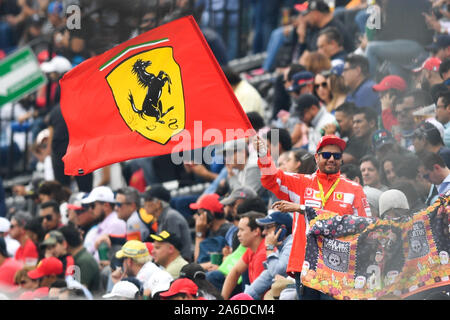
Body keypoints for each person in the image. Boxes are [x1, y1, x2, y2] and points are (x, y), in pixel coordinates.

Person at [254, 134, 371, 300]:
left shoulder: (354, 190)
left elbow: (364, 227)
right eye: (326, 155)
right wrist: (263, 156)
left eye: (336, 156)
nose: (331, 159)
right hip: (305, 265)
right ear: (316, 157)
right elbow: (272, 179)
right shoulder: (302, 183)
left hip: (338, 268)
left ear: (341, 160)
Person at [244, 211, 294, 300]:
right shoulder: (281, 247)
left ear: (282, 229)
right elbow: (267, 275)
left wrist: (269, 248)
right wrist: (245, 296)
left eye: (268, 227)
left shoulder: (291, 244)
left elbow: (277, 271)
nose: (264, 232)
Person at [221, 211, 266, 300]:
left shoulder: (263, 255)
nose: (238, 234)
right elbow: (235, 271)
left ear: (256, 231)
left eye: (242, 230)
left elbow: (259, 293)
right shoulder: (251, 249)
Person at [143, 185, 192, 262]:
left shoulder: (171, 217)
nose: (144, 203)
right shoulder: (164, 217)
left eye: (147, 199)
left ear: (158, 203)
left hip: (179, 265)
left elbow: (172, 249)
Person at [81, 186, 126, 263]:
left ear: (106, 206)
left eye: (92, 206)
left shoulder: (116, 223)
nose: (90, 210)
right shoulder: (103, 223)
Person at [189, 193, 232, 267]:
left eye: (199, 212)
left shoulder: (226, 231)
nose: (196, 216)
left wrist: (199, 235)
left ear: (210, 213)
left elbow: (198, 262)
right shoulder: (208, 229)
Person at [58, 225, 100, 294]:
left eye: (55, 245)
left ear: (64, 243)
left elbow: (78, 293)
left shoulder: (84, 261)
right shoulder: (76, 258)